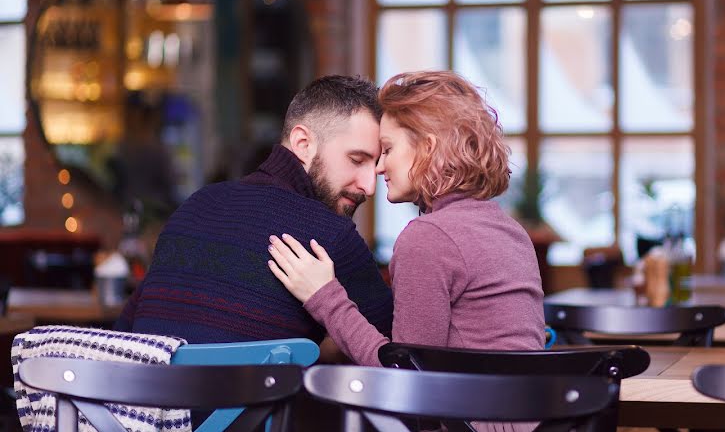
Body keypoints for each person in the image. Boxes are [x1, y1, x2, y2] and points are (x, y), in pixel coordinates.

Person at [267, 70, 545, 369]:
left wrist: (323, 296)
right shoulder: (510, 231)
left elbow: (405, 375)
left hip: (465, 415)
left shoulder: (430, 237)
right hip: (528, 413)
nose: (379, 168)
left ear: (428, 148)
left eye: (387, 150)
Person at [115, 75, 394, 343]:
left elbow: (126, 336)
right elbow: (397, 359)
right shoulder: (331, 236)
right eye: (357, 160)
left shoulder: (195, 206)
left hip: (152, 391)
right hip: (254, 392)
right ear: (303, 144)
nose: (369, 186)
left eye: (377, 166)